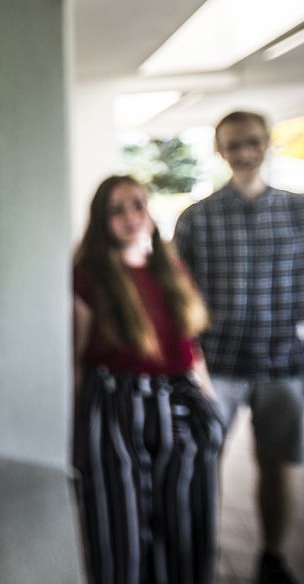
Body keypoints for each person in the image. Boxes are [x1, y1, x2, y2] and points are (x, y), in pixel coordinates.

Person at [173, 111, 304, 584]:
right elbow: (181, 295)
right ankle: (199, 554)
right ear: (220, 150)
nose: (244, 152)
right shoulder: (197, 218)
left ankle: (272, 558)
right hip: (215, 363)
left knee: (277, 464)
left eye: (252, 141)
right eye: (233, 144)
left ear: (267, 143)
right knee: (203, 462)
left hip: (282, 361)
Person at [73, 175, 222, 584]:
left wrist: (211, 405)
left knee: (185, 528)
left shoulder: (170, 268)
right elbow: (76, 358)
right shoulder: (89, 275)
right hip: (115, 404)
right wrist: (74, 429)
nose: (130, 216)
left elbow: (191, 348)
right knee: (119, 530)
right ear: (101, 220)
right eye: (116, 210)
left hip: (181, 404)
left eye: (138, 205)